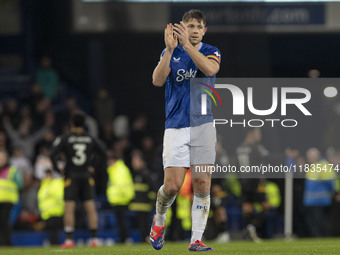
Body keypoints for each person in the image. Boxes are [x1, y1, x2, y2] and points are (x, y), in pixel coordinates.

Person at [150, 9, 221, 251]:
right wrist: (169, 50)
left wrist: (187, 47)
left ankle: (196, 239)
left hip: (203, 126)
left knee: (202, 182)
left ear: (204, 30)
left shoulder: (212, 51)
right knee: (172, 187)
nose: (193, 30)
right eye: (188, 26)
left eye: (197, 27)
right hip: (176, 126)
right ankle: (159, 221)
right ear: (181, 27)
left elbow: (210, 70)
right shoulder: (171, 51)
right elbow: (157, 81)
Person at [50, 112, 107, 248]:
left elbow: (52, 154)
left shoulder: (65, 138)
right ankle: (94, 239)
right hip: (86, 175)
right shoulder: (90, 138)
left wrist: (58, 170)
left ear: (71, 124)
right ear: (84, 124)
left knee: (69, 207)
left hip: (71, 175)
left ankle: (69, 240)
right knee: (90, 207)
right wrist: (94, 167)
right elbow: (103, 154)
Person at [0, 149, 23, 246]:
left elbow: (20, 184)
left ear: (6, 158)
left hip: (8, 201)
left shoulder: (12, 170)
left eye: (2, 157)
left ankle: (6, 244)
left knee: (5, 222)